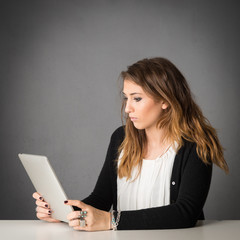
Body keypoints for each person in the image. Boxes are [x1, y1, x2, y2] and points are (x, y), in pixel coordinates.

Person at [33, 57, 229, 231]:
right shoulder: (120, 138)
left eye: (137, 98)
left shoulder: (196, 145)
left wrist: (112, 221)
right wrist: (65, 213)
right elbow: (100, 200)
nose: (127, 108)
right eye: (126, 98)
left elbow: (185, 213)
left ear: (165, 100)